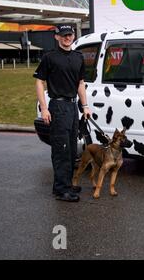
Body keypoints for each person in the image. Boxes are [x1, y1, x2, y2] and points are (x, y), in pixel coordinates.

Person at [34, 24, 92, 202]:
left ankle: (65, 183)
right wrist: (44, 108)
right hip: (57, 107)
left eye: (70, 34)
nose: (67, 38)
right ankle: (61, 190)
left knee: (72, 149)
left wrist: (85, 106)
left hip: (73, 107)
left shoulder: (78, 57)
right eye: (64, 35)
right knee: (61, 149)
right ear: (57, 37)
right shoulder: (49, 57)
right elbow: (39, 82)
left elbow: (80, 83)